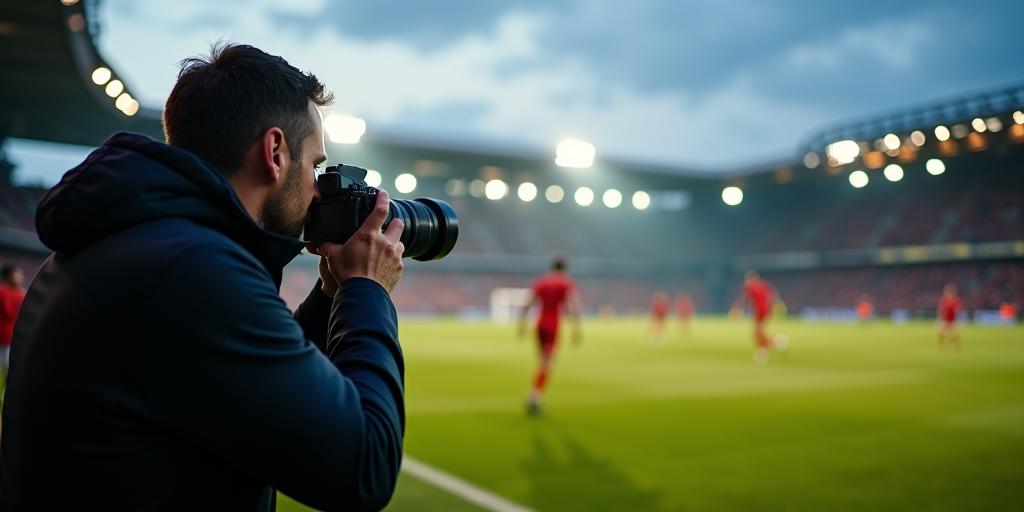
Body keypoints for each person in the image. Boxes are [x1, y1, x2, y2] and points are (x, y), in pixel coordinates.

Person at [0, 44, 406, 511]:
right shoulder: (190, 271)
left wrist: (332, 292)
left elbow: (255, 381)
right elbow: (363, 468)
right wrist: (366, 290)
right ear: (274, 152)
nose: (318, 189)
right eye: (314, 165)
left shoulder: (131, 245)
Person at [518, 256, 581, 415]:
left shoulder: (541, 281)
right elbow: (573, 305)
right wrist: (576, 329)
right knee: (546, 363)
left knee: (542, 361)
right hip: (552, 324)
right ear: (564, 269)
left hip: (539, 323)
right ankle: (534, 397)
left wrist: (522, 324)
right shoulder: (565, 283)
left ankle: (535, 395)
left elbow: (527, 303)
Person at [735, 270, 787, 364]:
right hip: (766, 310)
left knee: (758, 333)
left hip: (760, 311)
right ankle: (767, 348)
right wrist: (778, 304)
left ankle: (776, 343)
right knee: (759, 333)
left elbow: (745, 299)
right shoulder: (765, 285)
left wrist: (738, 309)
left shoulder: (750, 287)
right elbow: (773, 295)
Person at [0, 264, 26, 384]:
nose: (20, 277)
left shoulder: (23, 293)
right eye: (17, 274)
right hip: (4, 338)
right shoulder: (3, 292)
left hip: (14, 339)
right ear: (8, 276)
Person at [937, 283, 963, 352]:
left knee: (954, 334)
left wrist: (956, 311)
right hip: (945, 319)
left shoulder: (956, 300)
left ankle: (956, 347)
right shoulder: (943, 300)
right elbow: (940, 310)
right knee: (940, 333)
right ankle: (942, 347)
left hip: (952, 320)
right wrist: (940, 317)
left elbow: (958, 309)